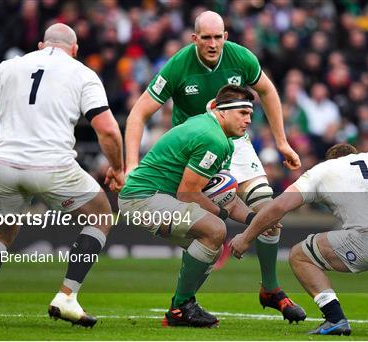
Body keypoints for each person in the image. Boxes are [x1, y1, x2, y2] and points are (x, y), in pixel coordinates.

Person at [0, 23, 124, 331]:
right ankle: (67, 295)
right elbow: (106, 129)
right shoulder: (82, 73)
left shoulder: (11, 65)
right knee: (101, 214)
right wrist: (117, 168)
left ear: (40, 45)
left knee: (1, 232)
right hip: (52, 167)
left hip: (5, 166)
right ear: (75, 50)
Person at [125, 10, 305, 323]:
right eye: (205, 37)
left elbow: (268, 91)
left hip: (232, 139)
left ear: (226, 36)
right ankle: (184, 302)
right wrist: (129, 164)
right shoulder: (179, 65)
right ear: (194, 38)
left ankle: (271, 289)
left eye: (218, 37)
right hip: (197, 147)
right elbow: (138, 114)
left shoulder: (242, 58)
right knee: (206, 226)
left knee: (267, 208)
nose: (212, 43)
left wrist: (281, 141)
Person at [230, 143, 368, 336]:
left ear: (331, 160)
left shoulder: (322, 170)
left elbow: (279, 207)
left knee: (299, 255)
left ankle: (335, 318)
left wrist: (246, 238)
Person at [120, 85, 264, 327]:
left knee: (214, 246)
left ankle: (180, 308)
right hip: (142, 198)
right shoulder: (213, 138)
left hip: (154, 197)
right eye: (242, 113)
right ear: (223, 112)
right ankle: (182, 308)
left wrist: (255, 219)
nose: (248, 120)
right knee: (215, 229)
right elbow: (188, 194)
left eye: (250, 114)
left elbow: (224, 195)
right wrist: (222, 213)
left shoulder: (220, 137)